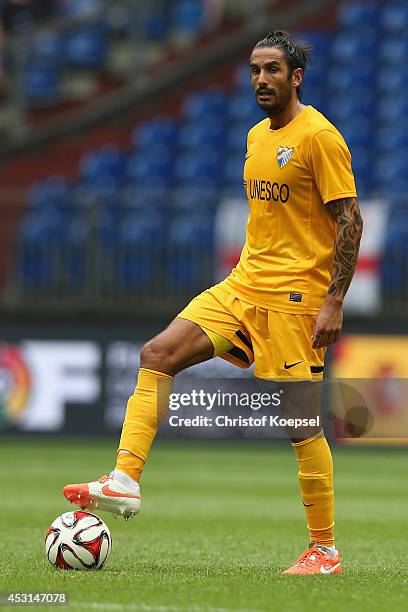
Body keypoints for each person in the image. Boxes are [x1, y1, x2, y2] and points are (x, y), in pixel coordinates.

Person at [64, 30, 363, 575]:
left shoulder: (320, 137)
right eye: (254, 70)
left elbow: (350, 219)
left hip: (294, 298)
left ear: (296, 77)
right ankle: (125, 480)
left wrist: (334, 299)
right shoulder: (254, 136)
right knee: (157, 353)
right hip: (242, 286)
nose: (261, 80)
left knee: (301, 426)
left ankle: (325, 549)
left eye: (273, 70)